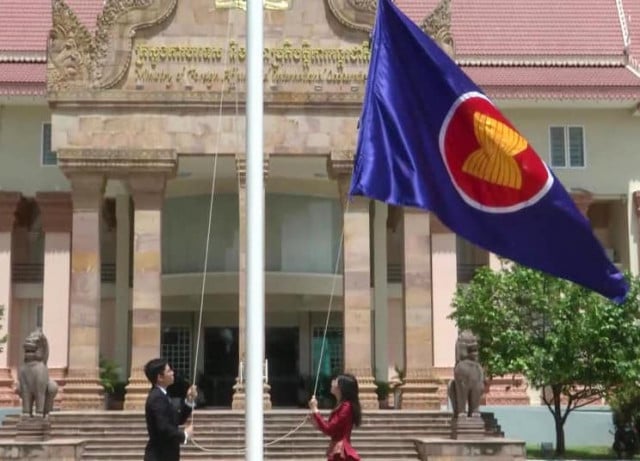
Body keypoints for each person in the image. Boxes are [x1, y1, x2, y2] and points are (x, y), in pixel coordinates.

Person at [143, 358, 198, 461]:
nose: (173, 373)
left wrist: (189, 401)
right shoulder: (157, 398)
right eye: (169, 371)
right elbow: (163, 428)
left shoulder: (164, 395)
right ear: (160, 377)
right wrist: (184, 435)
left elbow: (176, 420)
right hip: (159, 456)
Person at [308, 373, 362, 461]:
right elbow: (332, 430)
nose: (332, 382)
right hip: (337, 448)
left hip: (341, 450)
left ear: (342, 387)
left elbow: (329, 429)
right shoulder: (341, 405)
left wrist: (315, 410)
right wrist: (317, 424)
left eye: (335, 381)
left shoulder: (346, 407)